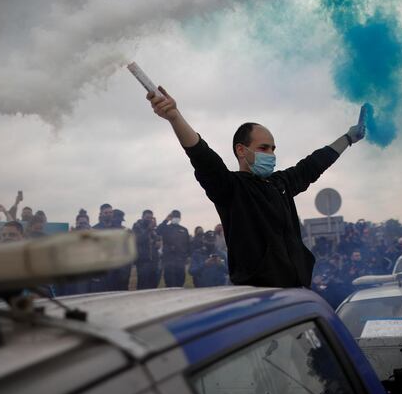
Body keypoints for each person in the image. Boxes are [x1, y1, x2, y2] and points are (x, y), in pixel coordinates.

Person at [146, 86, 365, 288]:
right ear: (241, 150)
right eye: (263, 148)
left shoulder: (281, 184)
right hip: (261, 298)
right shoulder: (230, 188)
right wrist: (175, 117)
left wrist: (347, 138)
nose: (271, 154)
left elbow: (314, 163)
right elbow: (202, 155)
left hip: (298, 292)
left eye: (272, 149)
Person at [157, 210, 191, 287]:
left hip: (180, 260)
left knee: (181, 281)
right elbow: (158, 231)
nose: (176, 218)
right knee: (170, 282)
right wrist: (166, 220)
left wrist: (188, 256)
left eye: (178, 216)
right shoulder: (166, 228)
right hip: (169, 260)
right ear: (171, 217)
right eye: (174, 216)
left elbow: (187, 244)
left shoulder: (184, 229)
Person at [133, 210, 161, 289]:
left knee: (153, 284)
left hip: (154, 260)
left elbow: (157, 238)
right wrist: (149, 229)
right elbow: (138, 240)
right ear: (142, 217)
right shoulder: (137, 226)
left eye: (151, 218)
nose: (149, 219)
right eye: (147, 217)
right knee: (143, 284)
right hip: (143, 261)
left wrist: (158, 242)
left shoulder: (153, 228)